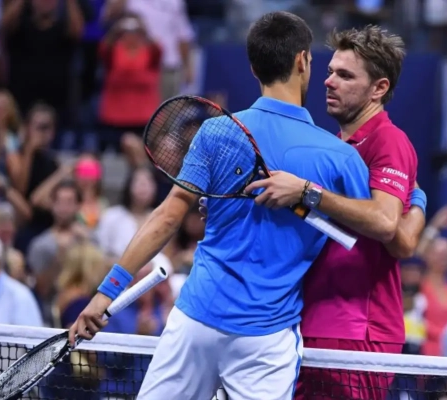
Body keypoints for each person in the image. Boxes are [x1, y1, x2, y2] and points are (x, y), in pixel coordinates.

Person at [69, 11, 372, 400]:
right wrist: (413, 196)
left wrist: (106, 293)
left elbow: (167, 217)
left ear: (253, 67)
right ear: (303, 61)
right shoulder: (339, 156)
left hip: (196, 320)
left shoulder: (217, 131)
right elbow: (374, 226)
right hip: (266, 339)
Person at [244, 25, 424, 400]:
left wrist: (307, 192)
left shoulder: (388, 140)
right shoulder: (334, 146)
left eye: (345, 75)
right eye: (329, 71)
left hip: (357, 329)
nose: (328, 81)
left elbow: (386, 224)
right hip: (311, 321)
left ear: (379, 88)